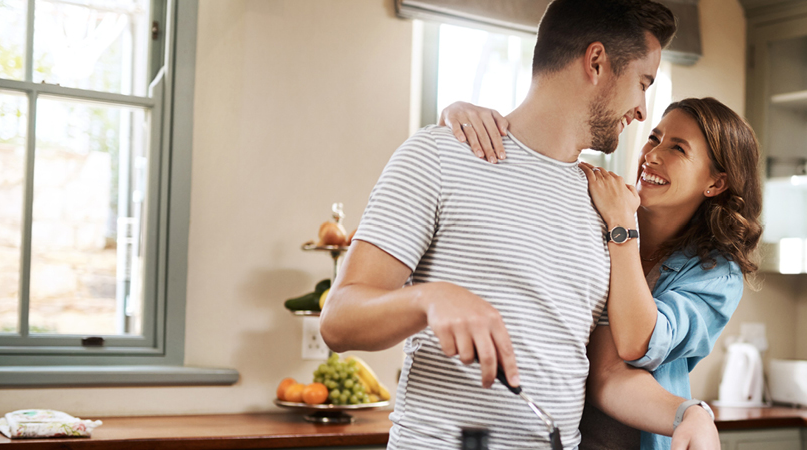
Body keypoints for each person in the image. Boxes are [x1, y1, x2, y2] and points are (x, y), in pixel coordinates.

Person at [319, 1, 720, 448]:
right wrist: (429, 300)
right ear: (596, 62)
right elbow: (338, 321)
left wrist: (688, 414)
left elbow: (607, 376)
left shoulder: (608, 207)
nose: (643, 110)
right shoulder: (438, 156)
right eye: (643, 83)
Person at [443, 97, 763, 449]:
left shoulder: (715, 273)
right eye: (654, 138)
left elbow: (637, 343)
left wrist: (623, 229)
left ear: (716, 184)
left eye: (678, 149)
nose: (652, 155)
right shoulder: (599, 204)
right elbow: (526, 166)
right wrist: (459, 116)